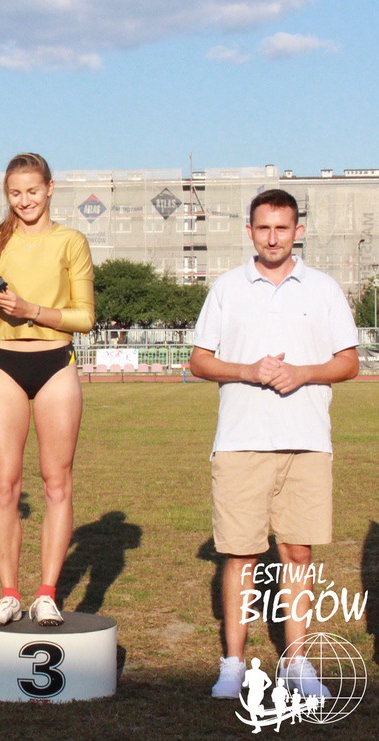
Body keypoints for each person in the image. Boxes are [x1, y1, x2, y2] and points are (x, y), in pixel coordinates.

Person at [191, 189, 358, 699]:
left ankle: (297, 662)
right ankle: (232, 664)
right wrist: (248, 371)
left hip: (307, 440)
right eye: (263, 228)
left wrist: (302, 373)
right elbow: (199, 360)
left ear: (297, 231)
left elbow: (348, 362)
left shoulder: (324, 289)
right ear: (250, 231)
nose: (272, 238)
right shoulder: (226, 287)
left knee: (297, 552)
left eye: (282, 228)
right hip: (241, 440)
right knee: (240, 554)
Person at [0, 153, 95, 626]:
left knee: (56, 482)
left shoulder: (71, 241)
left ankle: (46, 593)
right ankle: (8, 593)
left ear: (50, 188)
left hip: (56, 363)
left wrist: (30, 310)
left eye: (33, 191)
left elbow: (85, 317)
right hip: (4, 364)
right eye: (15, 193)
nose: (24, 201)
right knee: (4, 485)